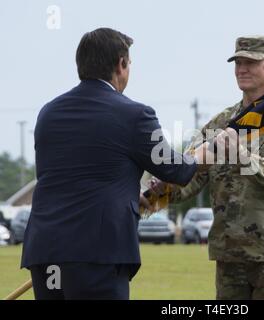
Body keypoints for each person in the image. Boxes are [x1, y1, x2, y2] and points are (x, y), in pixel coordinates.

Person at [21, 28, 209, 300]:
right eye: (129, 63)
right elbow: (176, 170)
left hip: (45, 250)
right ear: (121, 64)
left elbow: (76, 174)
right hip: (97, 254)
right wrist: (204, 152)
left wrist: (125, 195)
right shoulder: (135, 114)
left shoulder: (48, 113)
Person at [150, 36, 264, 300]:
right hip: (229, 254)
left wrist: (243, 157)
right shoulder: (222, 123)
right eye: (238, 62)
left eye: (251, 62)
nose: (242, 69)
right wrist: (159, 192)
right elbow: (194, 175)